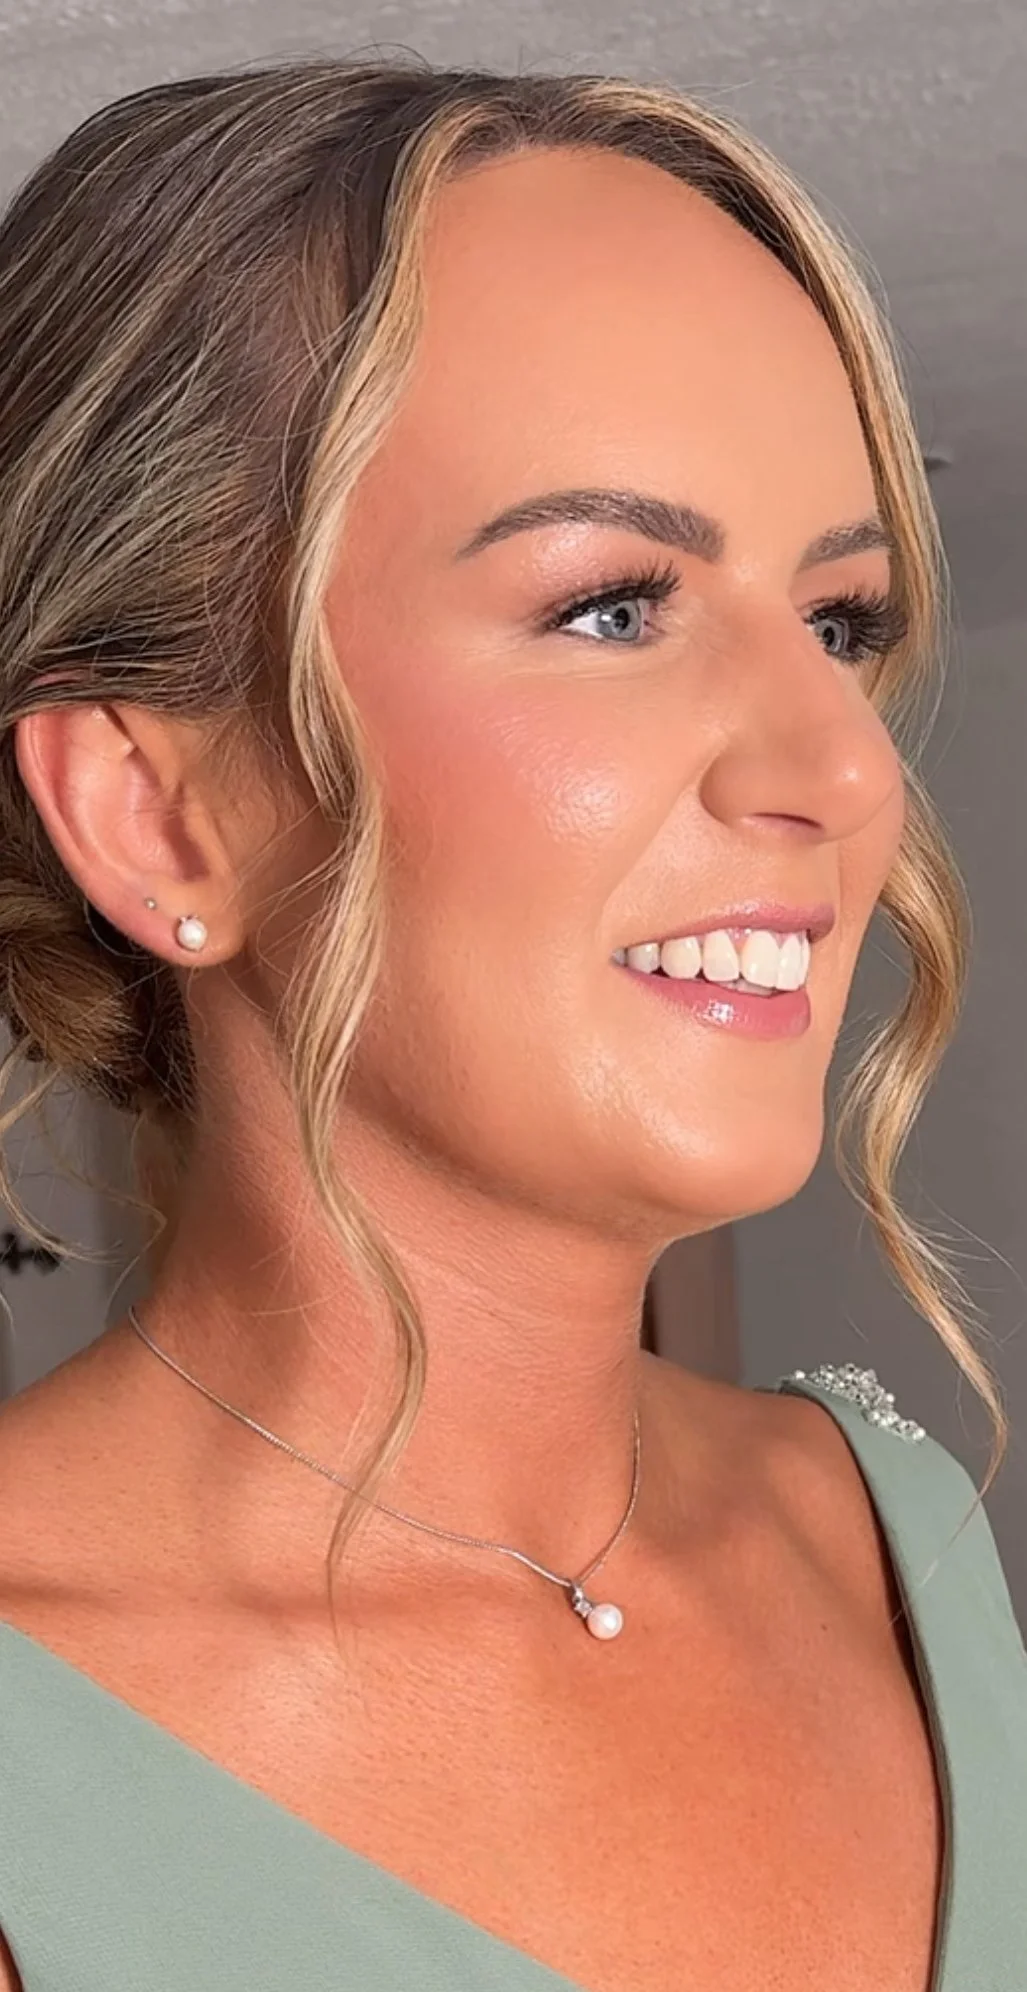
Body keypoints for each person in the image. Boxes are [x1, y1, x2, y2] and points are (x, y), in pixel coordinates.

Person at [0, 58, 1023, 1992]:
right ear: (157, 809)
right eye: (614, 607)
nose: (839, 772)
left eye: (840, 621)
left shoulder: (890, 1538)